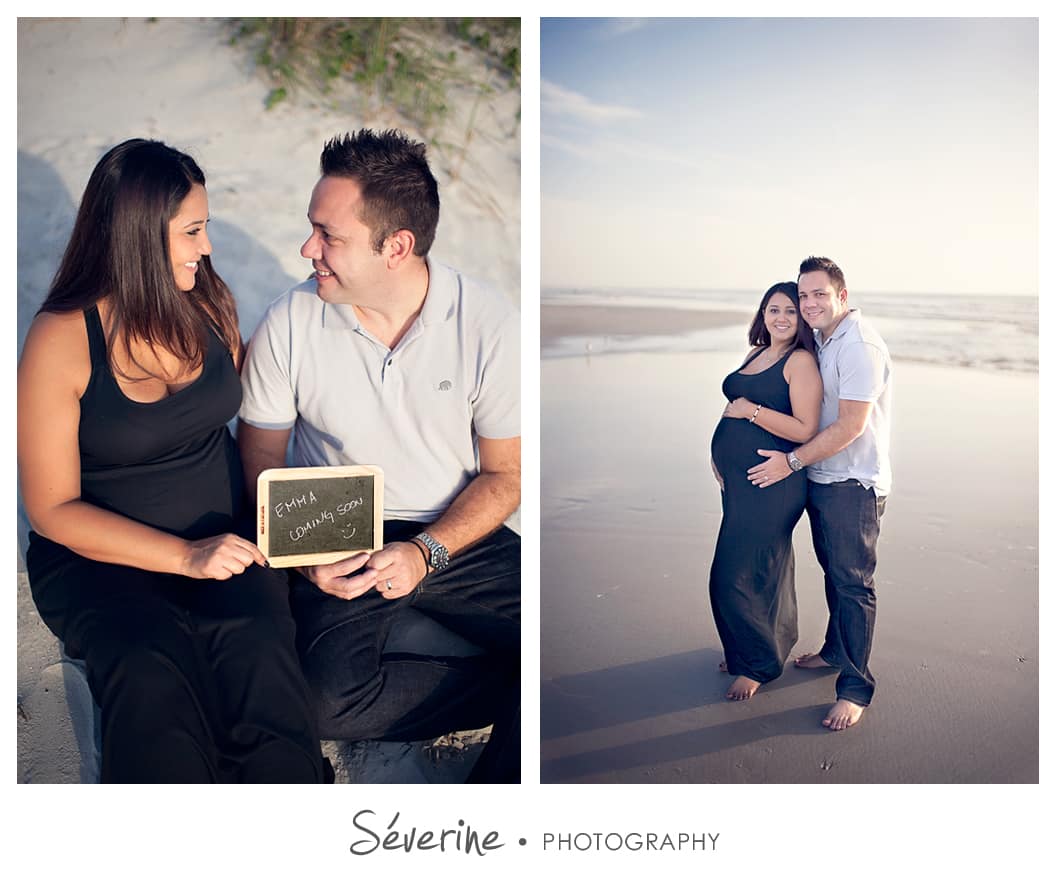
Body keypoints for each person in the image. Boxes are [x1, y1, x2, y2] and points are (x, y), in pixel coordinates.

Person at [17, 139, 326, 782]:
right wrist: (185, 557)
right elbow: (49, 509)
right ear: (136, 235)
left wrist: (304, 527)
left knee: (260, 653)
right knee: (150, 667)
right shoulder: (62, 337)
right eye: (192, 230)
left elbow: (255, 435)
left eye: (205, 226)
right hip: (100, 558)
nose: (206, 246)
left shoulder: (209, 302)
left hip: (224, 544)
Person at [237, 129, 521, 782]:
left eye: (327, 235)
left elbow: (505, 477)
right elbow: (256, 464)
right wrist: (306, 553)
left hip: (452, 525)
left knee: (558, 632)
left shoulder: (488, 323)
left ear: (396, 246)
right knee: (322, 699)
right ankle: (501, 687)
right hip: (335, 518)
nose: (307, 249)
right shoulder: (291, 320)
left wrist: (426, 552)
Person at [748, 256, 892, 731]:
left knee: (853, 584)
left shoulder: (859, 345)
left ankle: (855, 688)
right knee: (835, 573)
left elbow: (852, 425)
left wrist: (791, 462)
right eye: (803, 295)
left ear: (841, 296)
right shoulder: (824, 339)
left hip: (853, 483)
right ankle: (835, 650)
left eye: (818, 295)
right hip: (822, 476)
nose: (808, 304)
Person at [709, 282, 822, 700]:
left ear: (802, 318)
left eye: (791, 311)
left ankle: (758, 665)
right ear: (763, 313)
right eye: (774, 309)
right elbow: (731, 408)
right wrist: (717, 454)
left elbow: (805, 429)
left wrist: (750, 413)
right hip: (739, 484)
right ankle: (750, 650)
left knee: (731, 575)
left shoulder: (801, 362)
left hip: (773, 482)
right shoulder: (757, 353)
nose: (781, 317)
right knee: (767, 569)